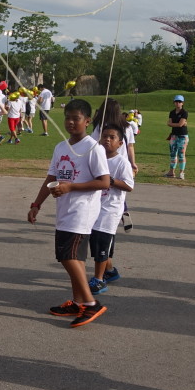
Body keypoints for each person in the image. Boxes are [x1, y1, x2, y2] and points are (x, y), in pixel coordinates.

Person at [26, 99, 110, 328]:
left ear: (87, 121)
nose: (71, 122)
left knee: (68, 256)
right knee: (75, 258)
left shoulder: (93, 148)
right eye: (68, 117)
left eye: (77, 118)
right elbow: (51, 178)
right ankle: (77, 301)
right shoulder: (61, 147)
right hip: (64, 212)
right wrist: (36, 204)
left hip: (81, 212)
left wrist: (71, 187)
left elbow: (104, 182)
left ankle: (91, 304)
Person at [88, 125, 134, 295]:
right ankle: (110, 271)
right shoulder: (96, 158)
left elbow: (129, 186)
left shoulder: (121, 162)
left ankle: (98, 280)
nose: (107, 139)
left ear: (120, 143)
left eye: (112, 137)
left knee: (101, 242)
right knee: (98, 242)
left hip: (110, 209)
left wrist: (111, 181)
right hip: (94, 206)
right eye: (104, 136)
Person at [165, 95, 189, 180]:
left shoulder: (184, 112)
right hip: (174, 135)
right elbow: (175, 123)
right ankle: (171, 172)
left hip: (182, 135)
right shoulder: (172, 112)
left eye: (179, 102)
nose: (177, 103)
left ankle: (181, 172)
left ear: (182, 103)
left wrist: (172, 124)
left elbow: (180, 124)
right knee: (172, 154)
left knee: (181, 154)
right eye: (176, 101)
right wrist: (178, 124)